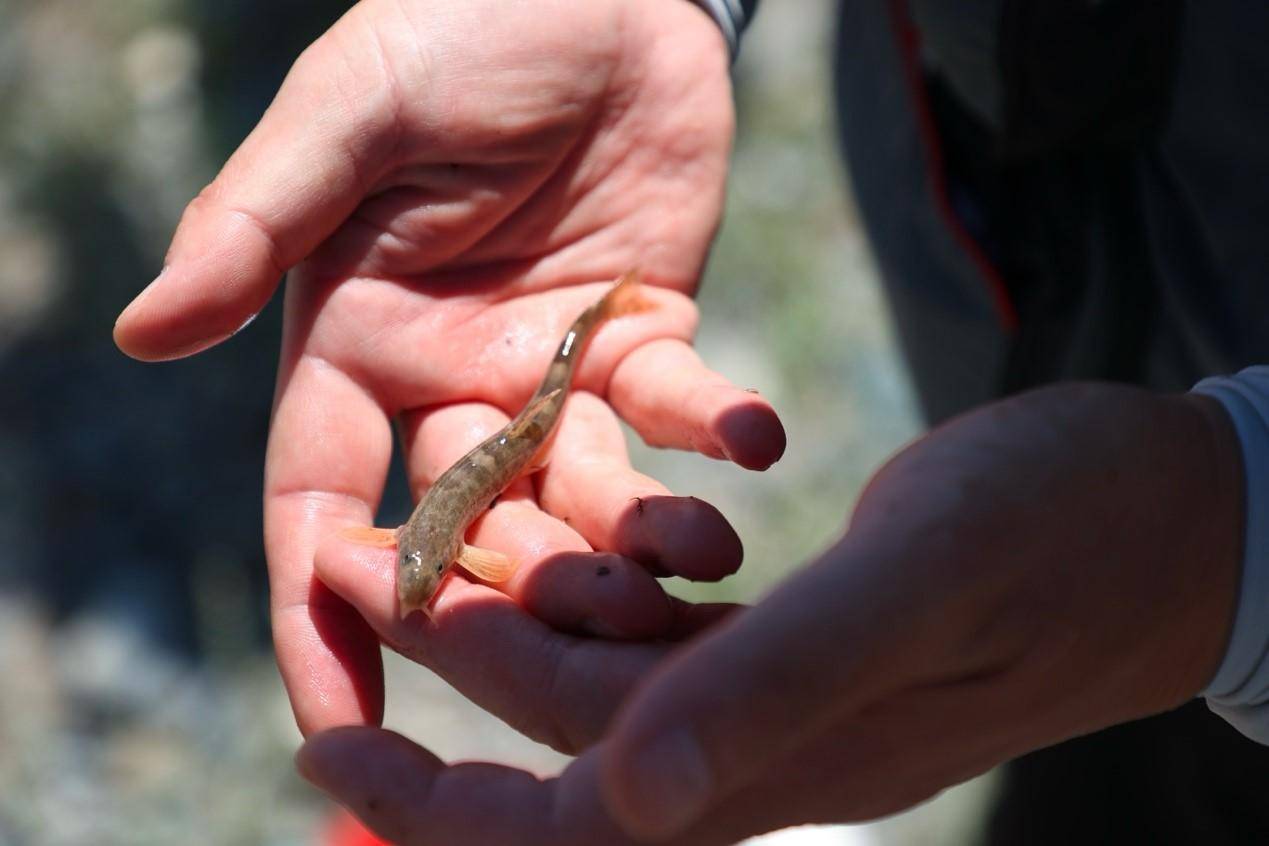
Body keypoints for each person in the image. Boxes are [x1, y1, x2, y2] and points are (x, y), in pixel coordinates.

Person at [113, 0, 1269, 843]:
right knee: (1094, 782)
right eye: (419, 578)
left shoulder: (434, 539)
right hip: (993, 192)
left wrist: (1237, 535)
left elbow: (426, 538)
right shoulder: (425, 541)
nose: (418, 584)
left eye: (422, 576)